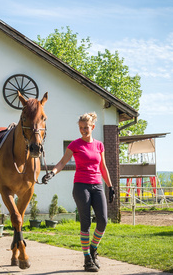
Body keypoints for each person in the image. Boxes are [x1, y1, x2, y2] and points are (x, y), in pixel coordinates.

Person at [42, 112, 115, 272]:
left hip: (97, 186)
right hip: (81, 186)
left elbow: (103, 167)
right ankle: (87, 259)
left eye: (86, 128)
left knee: (102, 221)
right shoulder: (75, 145)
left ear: (92, 127)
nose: (83, 130)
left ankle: (93, 249)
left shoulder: (99, 145)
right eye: (81, 128)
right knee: (86, 223)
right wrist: (52, 173)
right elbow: (62, 162)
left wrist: (110, 186)